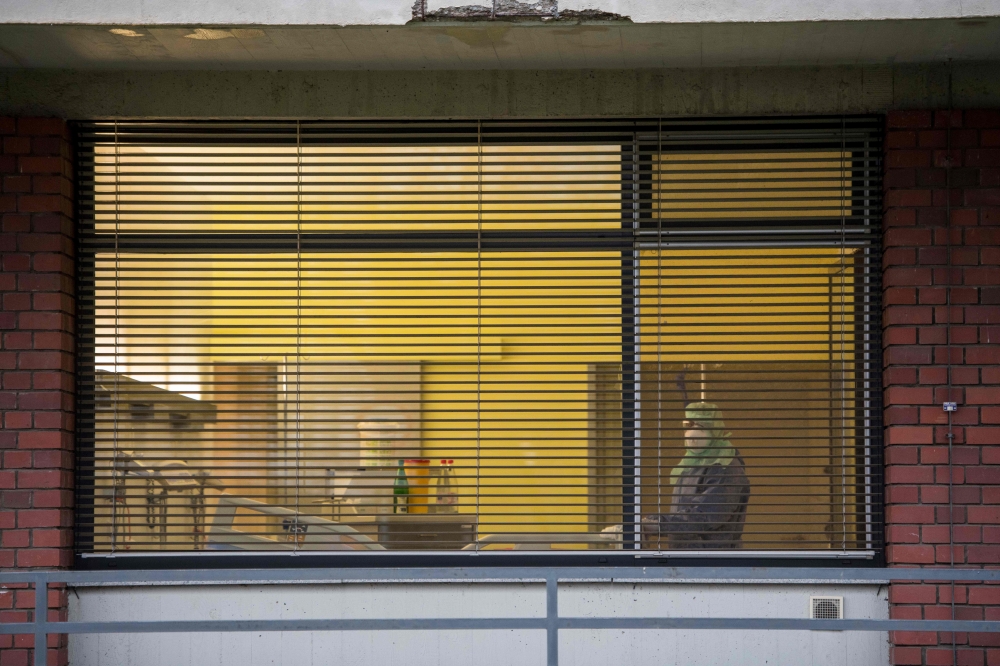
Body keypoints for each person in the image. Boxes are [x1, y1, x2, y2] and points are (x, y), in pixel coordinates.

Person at [642, 402, 750, 549]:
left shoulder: (725, 467)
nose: (692, 434)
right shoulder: (690, 464)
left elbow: (706, 515)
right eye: (689, 426)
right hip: (685, 561)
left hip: (711, 564)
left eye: (701, 427)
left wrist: (655, 524)